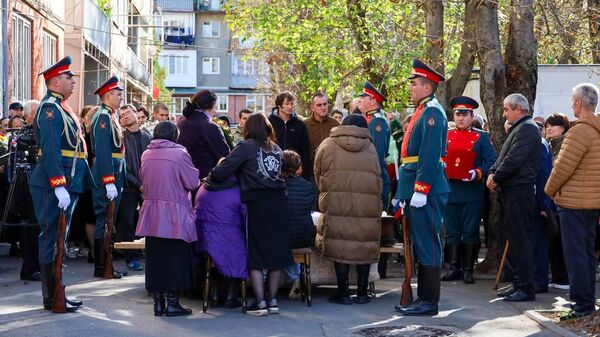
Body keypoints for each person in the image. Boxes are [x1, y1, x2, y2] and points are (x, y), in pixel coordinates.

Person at [207, 113, 293, 316]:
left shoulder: (245, 147)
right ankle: (273, 301)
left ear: (249, 129)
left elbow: (221, 171)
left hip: (257, 204)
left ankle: (260, 303)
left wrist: (210, 178)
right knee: (275, 254)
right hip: (280, 203)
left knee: (255, 253)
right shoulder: (276, 148)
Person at [29, 56, 89, 312]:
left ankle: (57, 292)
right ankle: (51, 296)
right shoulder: (50, 109)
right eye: (68, 77)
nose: (73, 81)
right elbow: (51, 149)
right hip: (53, 182)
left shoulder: (61, 107)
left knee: (59, 238)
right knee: (52, 236)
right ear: (55, 81)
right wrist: (58, 183)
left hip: (66, 180)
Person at [394, 59, 449, 316]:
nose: (411, 88)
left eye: (414, 84)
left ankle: (429, 301)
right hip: (416, 186)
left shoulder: (432, 113)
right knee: (421, 241)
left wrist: (421, 188)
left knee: (428, 242)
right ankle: (423, 298)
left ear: (427, 87)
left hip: (426, 187)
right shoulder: (423, 110)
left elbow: (429, 153)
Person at [545, 83, 600, 320]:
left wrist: (549, 190)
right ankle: (586, 302)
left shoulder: (579, 131)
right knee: (586, 255)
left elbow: (562, 167)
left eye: (572, 100)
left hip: (574, 204)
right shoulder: (596, 129)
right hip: (592, 203)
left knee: (576, 255)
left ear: (578, 103)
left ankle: (581, 305)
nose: (571, 104)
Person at [314, 114, 382, 305]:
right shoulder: (371, 147)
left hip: (336, 202)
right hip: (366, 206)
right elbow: (379, 176)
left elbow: (317, 171)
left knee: (340, 243)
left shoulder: (328, 144)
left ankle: (343, 293)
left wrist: (327, 190)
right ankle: (361, 292)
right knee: (363, 244)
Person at [136, 121, 199, 317]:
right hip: (174, 213)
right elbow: (192, 182)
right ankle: (172, 303)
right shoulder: (179, 153)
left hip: (152, 211)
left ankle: (158, 303)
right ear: (174, 135)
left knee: (155, 259)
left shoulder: (146, 153)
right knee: (175, 258)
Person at [487, 93, 541, 302]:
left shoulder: (527, 128)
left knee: (521, 241)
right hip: (511, 191)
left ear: (518, 109)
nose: (503, 114)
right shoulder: (519, 128)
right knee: (515, 240)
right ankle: (518, 283)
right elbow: (502, 157)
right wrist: (493, 173)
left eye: (506, 109)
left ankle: (526, 287)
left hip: (520, 190)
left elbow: (514, 160)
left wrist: (495, 178)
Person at [441, 96, 496, 284]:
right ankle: (454, 268)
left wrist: (477, 173)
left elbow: (491, 161)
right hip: (450, 189)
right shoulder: (446, 135)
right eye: (458, 114)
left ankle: (468, 270)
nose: (461, 118)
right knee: (452, 231)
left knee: (470, 231)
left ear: (472, 116)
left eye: (465, 114)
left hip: (471, 191)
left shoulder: (482, 137)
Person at [90, 75, 127, 279]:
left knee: (109, 219)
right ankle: (102, 266)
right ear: (107, 96)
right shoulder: (103, 116)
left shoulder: (110, 115)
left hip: (115, 170)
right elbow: (103, 150)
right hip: (108, 172)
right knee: (104, 217)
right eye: (118, 94)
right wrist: (108, 179)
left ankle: (106, 264)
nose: (121, 98)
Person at [194, 172, 248, 308]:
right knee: (240, 251)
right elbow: (245, 216)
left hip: (202, 238)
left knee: (216, 253)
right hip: (225, 237)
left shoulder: (203, 187)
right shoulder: (237, 189)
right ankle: (231, 296)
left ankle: (215, 295)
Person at [118, 104, 152, 271]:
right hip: (129, 186)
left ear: (136, 114)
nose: (125, 116)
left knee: (150, 221)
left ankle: (149, 253)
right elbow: (124, 167)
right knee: (127, 221)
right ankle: (131, 257)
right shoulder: (121, 138)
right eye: (122, 114)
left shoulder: (148, 137)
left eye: (128, 112)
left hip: (149, 184)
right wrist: (139, 185)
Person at [281, 150, 316, 300]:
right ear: (299, 167)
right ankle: (295, 278)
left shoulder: (276, 186)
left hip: (281, 236)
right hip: (303, 235)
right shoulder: (308, 187)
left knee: (281, 239)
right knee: (292, 235)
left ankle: (293, 277)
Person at [177, 90, 230, 181]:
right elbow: (226, 157)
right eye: (215, 107)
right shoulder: (210, 126)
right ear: (209, 107)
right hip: (203, 182)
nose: (215, 110)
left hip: (181, 179)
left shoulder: (181, 122)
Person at [543, 112, 570, 289]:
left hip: (564, 198)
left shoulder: (565, 145)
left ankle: (564, 278)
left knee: (563, 240)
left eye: (554, 125)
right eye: (547, 125)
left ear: (564, 128)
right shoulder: (548, 145)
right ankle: (557, 276)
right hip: (550, 197)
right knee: (553, 238)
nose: (549, 128)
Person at [358, 81, 391, 208]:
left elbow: (376, 153)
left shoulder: (377, 120)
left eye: (363, 98)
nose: (359, 101)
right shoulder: (370, 119)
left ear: (372, 101)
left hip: (375, 177)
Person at [268, 91, 311, 179]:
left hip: (294, 170)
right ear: (279, 105)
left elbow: (305, 150)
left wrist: (302, 168)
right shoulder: (269, 122)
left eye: (292, 104)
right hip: (273, 168)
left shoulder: (300, 124)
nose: (290, 106)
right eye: (287, 104)